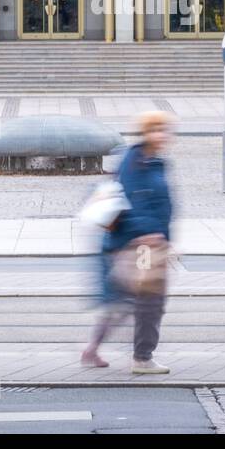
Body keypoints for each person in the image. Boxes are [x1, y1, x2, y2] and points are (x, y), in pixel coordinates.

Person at [81, 110, 176, 375]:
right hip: (138, 244)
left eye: (164, 129)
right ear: (145, 133)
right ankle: (142, 358)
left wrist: (167, 240)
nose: (162, 134)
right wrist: (148, 233)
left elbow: (163, 206)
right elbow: (132, 202)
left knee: (125, 301)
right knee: (150, 302)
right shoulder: (134, 163)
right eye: (156, 129)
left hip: (150, 243)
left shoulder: (156, 162)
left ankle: (93, 349)